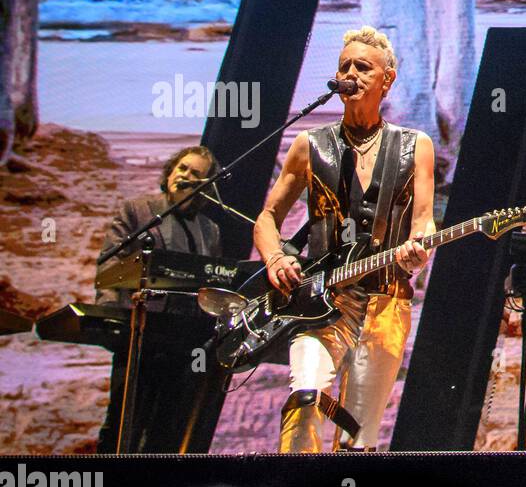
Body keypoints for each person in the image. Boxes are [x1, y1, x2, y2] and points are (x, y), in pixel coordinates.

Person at [253, 26, 436, 452]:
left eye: (363, 67)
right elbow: (266, 218)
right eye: (344, 66)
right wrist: (276, 259)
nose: (350, 73)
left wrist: (417, 251)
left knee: (359, 434)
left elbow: (423, 223)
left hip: (386, 300)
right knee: (304, 399)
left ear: (387, 79)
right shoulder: (309, 144)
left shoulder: (415, 146)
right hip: (320, 302)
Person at [95, 145, 224, 453]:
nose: (185, 176)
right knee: (125, 420)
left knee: (168, 424)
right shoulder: (138, 210)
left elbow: (212, 279)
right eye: (181, 169)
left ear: (206, 186)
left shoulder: (210, 230)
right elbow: (110, 266)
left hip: (185, 340)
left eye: (195, 174)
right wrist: (113, 319)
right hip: (141, 332)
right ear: (169, 173)